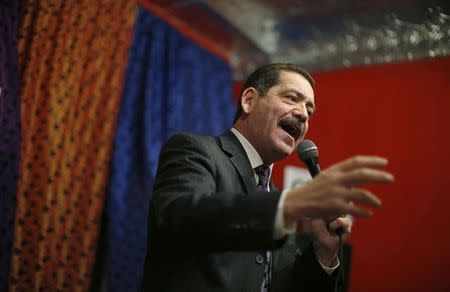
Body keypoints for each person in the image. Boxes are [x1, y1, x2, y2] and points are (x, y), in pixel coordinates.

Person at [141, 63, 394, 291]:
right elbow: (177, 218)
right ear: (249, 100)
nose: (304, 114)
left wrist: (324, 253)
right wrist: (287, 206)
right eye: (291, 98)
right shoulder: (195, 150)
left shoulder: (276, 197)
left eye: (310, 110)